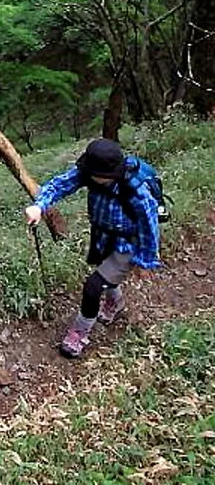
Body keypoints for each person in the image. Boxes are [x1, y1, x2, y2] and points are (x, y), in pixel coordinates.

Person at [25, 138, 161, 358]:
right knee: (104, 272)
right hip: (103, 235)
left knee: (93, 287)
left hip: (128, 244)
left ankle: (78, 333)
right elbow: (60, 184)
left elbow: (149, 224)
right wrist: (39, 206)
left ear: (110, 174)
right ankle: (115, 303)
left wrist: (145, 260)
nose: (88, 176)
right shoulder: (90, 173)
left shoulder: (135, 190)